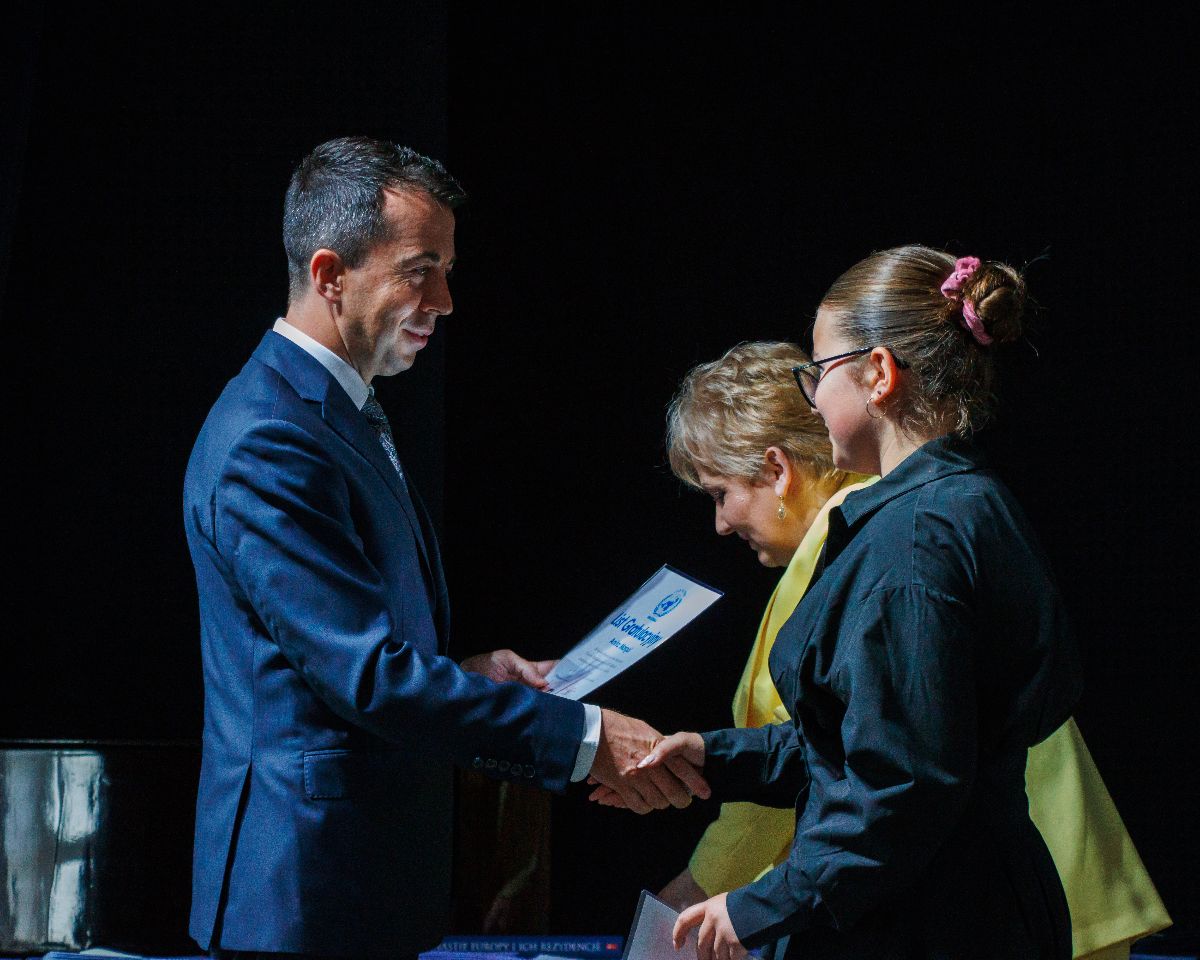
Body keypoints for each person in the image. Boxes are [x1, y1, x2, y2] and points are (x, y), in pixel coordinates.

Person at [182, 137, 707, 960]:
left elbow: (340, 660)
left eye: (448, 270)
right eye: (420, 270)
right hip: (300, 899)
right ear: (330, 274)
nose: (447, 301)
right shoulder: (270, 437)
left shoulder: (332, 413)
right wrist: (583, 738)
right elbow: (367, 676)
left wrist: (465, 673)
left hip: (349, 889)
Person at [608, 245, 1087, 959]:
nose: (811, 396)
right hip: (957, 906)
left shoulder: (916, 539)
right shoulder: (954, 506)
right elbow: (865, 741)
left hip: (932, 926)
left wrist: (760, 904)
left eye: (818, 371)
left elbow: (905, 785)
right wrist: (715, 756)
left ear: (879, 375)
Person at [655, 342, 1170, 960]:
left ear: (776, 470)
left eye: (719, 494)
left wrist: (708, 894)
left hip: (962, 902)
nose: (719, 524)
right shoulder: (929, 505)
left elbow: (859, 767)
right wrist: (714, 757)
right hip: (1045, 877)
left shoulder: (865, 543)